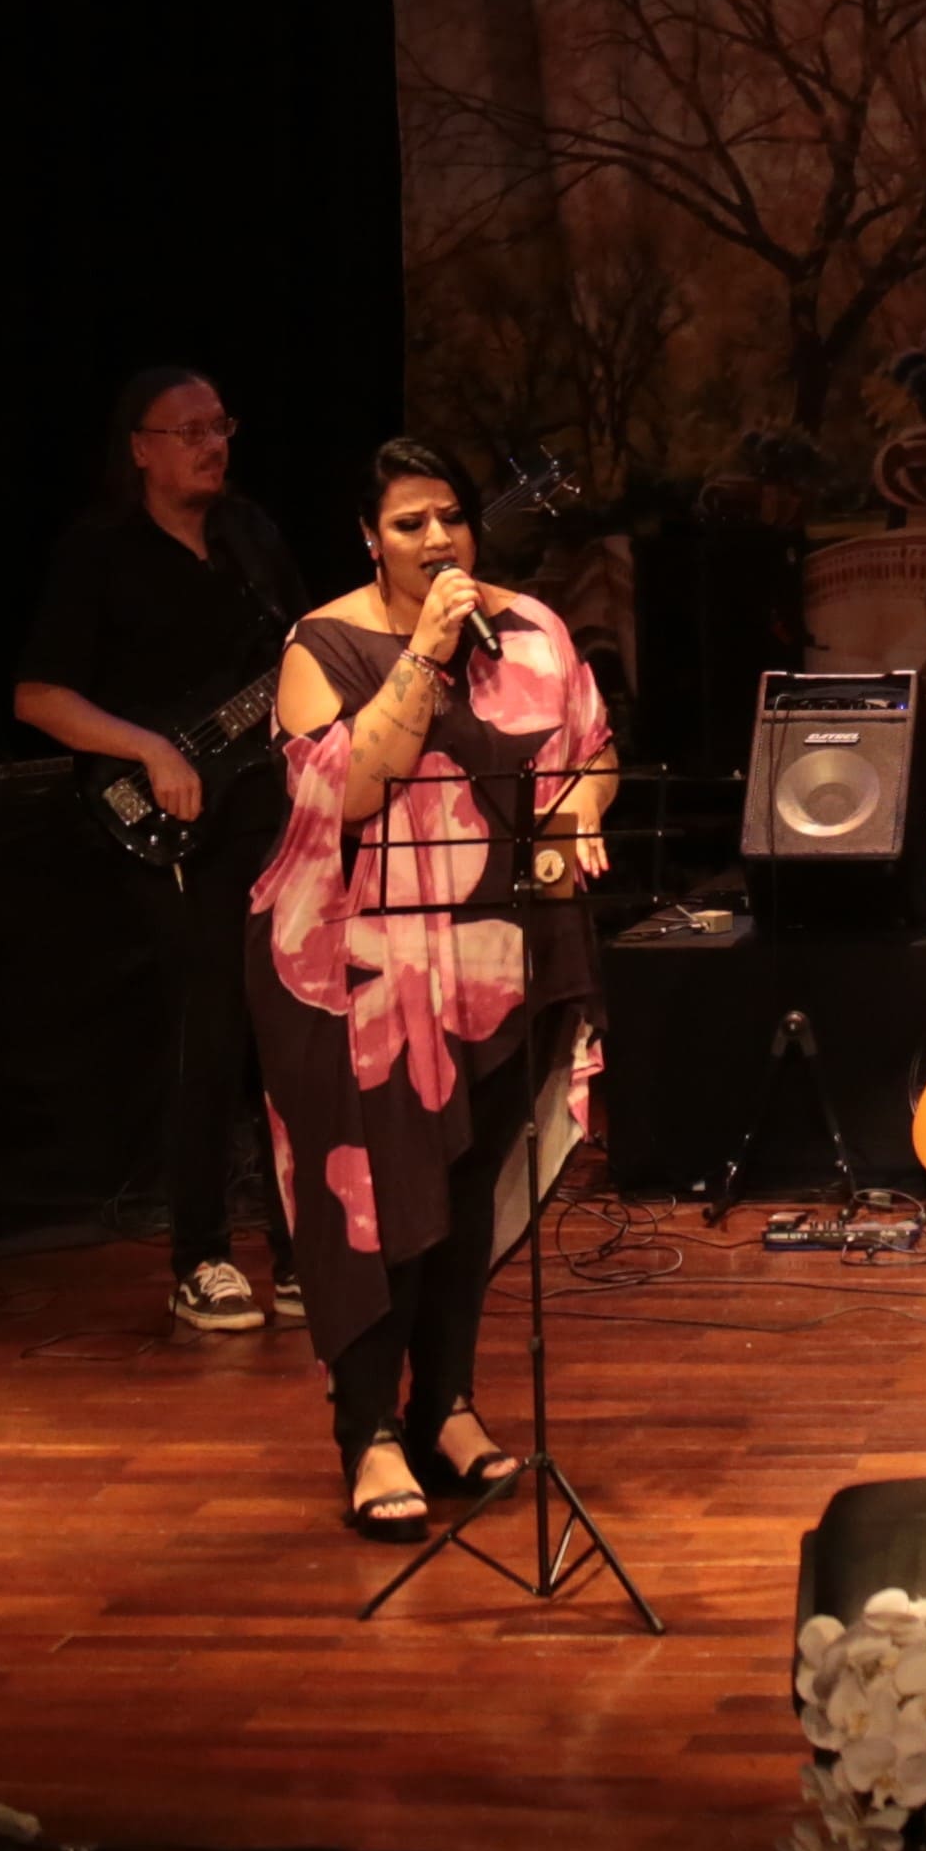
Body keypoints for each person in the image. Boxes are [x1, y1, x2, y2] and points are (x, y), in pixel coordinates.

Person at [247, 439, 610, 1541]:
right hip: (356, 971)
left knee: (463, 1197)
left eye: (450, 516)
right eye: (409, 523)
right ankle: (367, 1432)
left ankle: (445, 1405)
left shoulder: (533, 629)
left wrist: (579, 811)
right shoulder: (321, 644)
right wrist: (425, 652)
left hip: (502, 955)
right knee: (374, 1206)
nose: (438, 539)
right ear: (370, 538)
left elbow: (591, 750)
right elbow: (352, 789)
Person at [16, 365, 310, 1334]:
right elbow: (38, 697)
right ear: (138, 448)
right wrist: (149, 748)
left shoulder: (251, 537)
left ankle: (300, 1250)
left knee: (285, 1023)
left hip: (268, 810)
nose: (211, 445)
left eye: (220, 426)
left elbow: (304, 658)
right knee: (210, 1027)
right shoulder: (97, 550)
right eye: (188, 431)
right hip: (161, 818)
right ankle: (201, 1257)